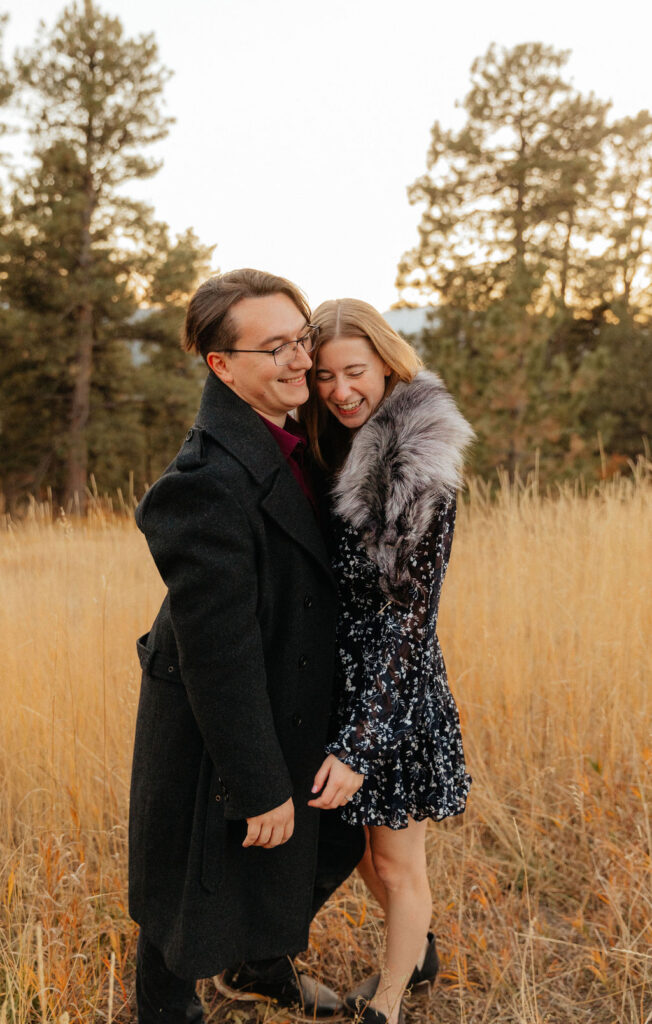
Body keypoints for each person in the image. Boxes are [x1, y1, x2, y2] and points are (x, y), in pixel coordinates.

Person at [129, 269, 365, 1024]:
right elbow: (218, 652)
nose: (301, 360)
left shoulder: (302, 435)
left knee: (320, 846)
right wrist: (257, 782)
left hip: (291, 686)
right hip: (217, 710)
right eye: (276, 348)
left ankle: (259, 967)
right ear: (221, 366)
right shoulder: (202, 482)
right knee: (189, 876)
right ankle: (165, 1011)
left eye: (302, 339)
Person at [299, 298, 475, 1024]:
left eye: (355, 372)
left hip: (392, 691)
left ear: (387, 362)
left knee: (399, 863)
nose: (340, 389)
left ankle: (392, 1002)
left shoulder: (416, 466)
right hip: (340, 682)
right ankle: (421, 951)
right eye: (324, 376)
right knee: (368, 858)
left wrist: (363, 741)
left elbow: (410, 623)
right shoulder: (328, 442)